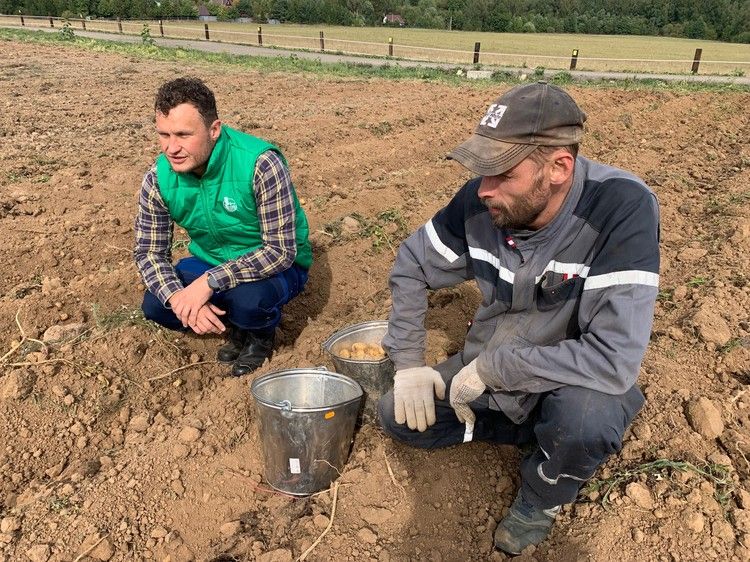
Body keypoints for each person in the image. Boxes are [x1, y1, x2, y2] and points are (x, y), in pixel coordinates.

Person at [377, 81, 659, 555]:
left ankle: (543, 494)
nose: (483, 189)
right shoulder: (481, 200)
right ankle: (532, 433)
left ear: (558, 168)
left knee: (584, 423)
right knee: (397, 416)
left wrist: (494, 369)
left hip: (572, 378)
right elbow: (412, 265)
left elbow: (613, 359)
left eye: (502, 174)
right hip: (491, 363)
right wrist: (407, 363)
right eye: (481, 171)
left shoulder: (620, 208)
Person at [134, 77, 312, 376]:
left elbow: (280, 251)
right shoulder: (158, 178)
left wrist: (207, 284)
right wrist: (180, 298)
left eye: (183, 135)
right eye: (163, 135)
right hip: (211, 259)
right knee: (156, 304)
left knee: (249, 302)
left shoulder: (260, 164)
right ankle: (231, 323)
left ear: (214, 129)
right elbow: (149, 253)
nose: (171, 148)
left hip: (275, 265)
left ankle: (259, 334)